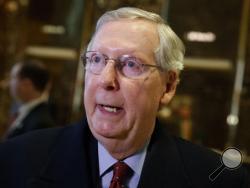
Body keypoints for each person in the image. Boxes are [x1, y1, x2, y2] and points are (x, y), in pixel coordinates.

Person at [0, 7, 249, 188]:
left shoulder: (221, 180)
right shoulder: (13, 162)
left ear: (169, 86)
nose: (107, 80)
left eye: (131, 64)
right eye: (96, 59)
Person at [3, 60, 55, 140]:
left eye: (13, 77)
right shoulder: (22, 111)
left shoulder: (41, 124)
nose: (8, 83)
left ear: (27, 84)